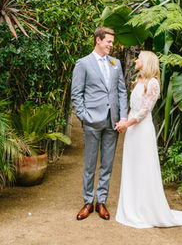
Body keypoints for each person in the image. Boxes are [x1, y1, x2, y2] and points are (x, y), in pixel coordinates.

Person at [115, 51, 182, 229]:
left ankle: (146, 210)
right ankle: (132, 207)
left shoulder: (153, 84)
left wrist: (128, 124)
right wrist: (125, 123)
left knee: (144, 168)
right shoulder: (138, 81)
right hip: (132, 131)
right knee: (132, 167)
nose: (136, 60)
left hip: (142, 131)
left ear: (146, 62)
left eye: (139, 58)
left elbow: (144, 111)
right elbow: (133, 108)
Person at [71, 26, 128, 221]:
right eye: (108, 42)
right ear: (98, 40)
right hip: (92, 121)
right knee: (90, 163)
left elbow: (121, 91)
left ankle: (101, 201)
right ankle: (87, 201)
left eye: (112, 42)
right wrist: (84, 116)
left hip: (112, 122)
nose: (111, 45)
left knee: (107, 163)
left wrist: (123, 117)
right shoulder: (83, 64)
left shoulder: (116, 63)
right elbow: (76, 94)